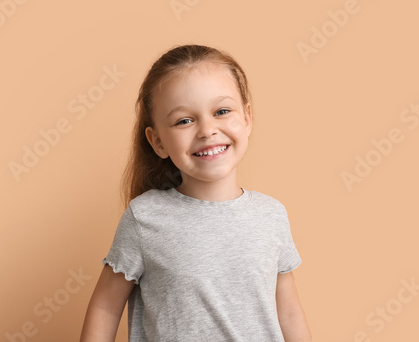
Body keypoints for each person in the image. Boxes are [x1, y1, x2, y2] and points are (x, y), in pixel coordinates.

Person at [80, 44, 312, 342]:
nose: (207, 130)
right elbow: (105, 308)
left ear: (247, 118)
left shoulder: (272, 215)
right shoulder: (144, 218)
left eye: (222, 111)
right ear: (158, 142)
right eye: (184, 121)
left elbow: (289, 313)